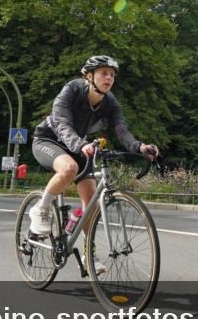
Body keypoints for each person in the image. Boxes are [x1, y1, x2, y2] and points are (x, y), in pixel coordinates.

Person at [28, 55, 159, 270]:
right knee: (69, 168)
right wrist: (80, 145)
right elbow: (61, 124)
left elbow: (121, 130)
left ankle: (89, 255)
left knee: (89, 205)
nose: (109, 78)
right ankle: (41, 209)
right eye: (104, 73)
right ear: (89, 76)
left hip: (79, 146)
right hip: (49, 140)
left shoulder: (110, 102)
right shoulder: (72, 90)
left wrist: (139, 147)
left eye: (112, 75)